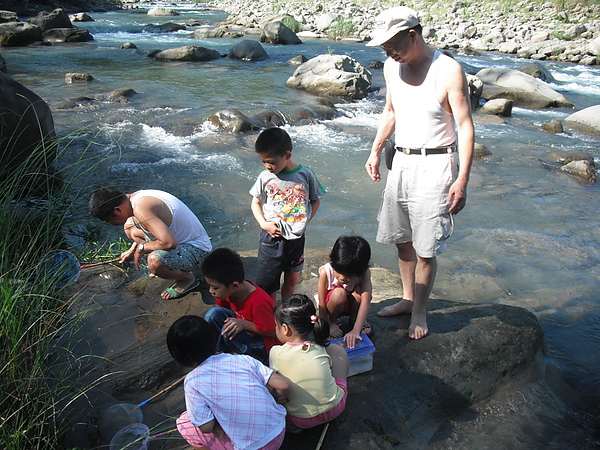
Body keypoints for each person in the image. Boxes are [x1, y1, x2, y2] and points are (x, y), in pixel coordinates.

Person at [364, 6, 474, 339]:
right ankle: (408, 298)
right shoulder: (390, 66)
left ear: (413, 35)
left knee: (426, 248)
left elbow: (466, 126)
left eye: (392, 45)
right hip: (401, 160)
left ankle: (421, 312)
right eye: (383, 48)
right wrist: (375, 149)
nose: (388, 52)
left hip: (437, 163)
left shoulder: (448, 70)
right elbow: (391, 111)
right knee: (401, 240)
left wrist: (463, 179)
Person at [167, 315, 288, 450]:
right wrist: (276, 399)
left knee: (185, 424)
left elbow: (206, 427)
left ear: (180, 356)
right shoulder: (241, 359)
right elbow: (283, 384)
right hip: (279, 430)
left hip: (253, 447)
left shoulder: (192, 382)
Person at [88, 187, 212, 300]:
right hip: (183, 239)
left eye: (109, 220)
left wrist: (142, 248)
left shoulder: (141, 208)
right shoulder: (136, 198)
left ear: (117, 210)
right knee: (129, 227)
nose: (110, 224)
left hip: (198, 250)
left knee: (154, 261)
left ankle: (187, 279)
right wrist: (133, 249)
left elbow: (170, 243)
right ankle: (168, 262)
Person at [250, 127, 326, 301]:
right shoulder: (265, 177)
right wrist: (264, 224)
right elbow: (255, 202)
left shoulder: (305, 174)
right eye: (263, 162)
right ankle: (268, 314)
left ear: (287, 155)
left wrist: (306, 221)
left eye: (271, 162)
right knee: (268, 284)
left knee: (292, 279)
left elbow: (316, 200)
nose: (267, 166)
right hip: (271, 239)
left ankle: (284, 309)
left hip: (297, 239)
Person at [269, 294, 349, 431]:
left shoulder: (276, 352)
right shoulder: (318, 348)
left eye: (276, 325)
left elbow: (277, 387)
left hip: (299, 419)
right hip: (335, 408)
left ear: (285, 329)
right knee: (338, 350)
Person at [202, 247, 280, 364]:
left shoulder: (258, 302)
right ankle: (218, 351)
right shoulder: (231, 291)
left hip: (265, 343)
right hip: (246, 328)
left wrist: (244, 324)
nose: (211, 291)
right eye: (210, 286)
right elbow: (223, 309)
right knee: (212, 315)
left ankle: (249, 361)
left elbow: (272, 331)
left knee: (227, 333)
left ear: (234, 285)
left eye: (215, 288)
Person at [316, 236, 373, 349]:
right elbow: (322, 303)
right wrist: (327, 325)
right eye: (339, 272)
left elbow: (366, 300)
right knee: (339, 293)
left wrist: (356, 330)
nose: (342, 278)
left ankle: (354, 320)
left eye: (349, 276)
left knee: (359, 291)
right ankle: (333, 321)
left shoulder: (364, 273)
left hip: (351, 303)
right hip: (333, 304)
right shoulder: (326, 272)